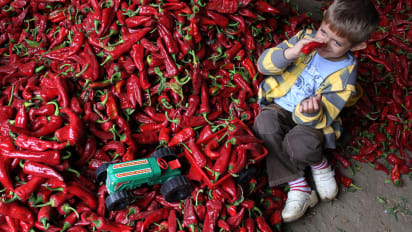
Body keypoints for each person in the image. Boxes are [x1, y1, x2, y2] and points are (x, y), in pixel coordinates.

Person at [252, 0, 379, 223]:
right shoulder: (304, 39)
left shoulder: (345, 75)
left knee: (302, 144)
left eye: (337, 43)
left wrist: (309, 112)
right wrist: (290, 53)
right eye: (323, 32)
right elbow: (263, 65)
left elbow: (326, 116)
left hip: (311, 121)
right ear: (320, 23)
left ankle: (318, 162)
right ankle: (299, 186)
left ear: (356, 47)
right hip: (279, 105)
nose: (323, 43)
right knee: (263, 125)